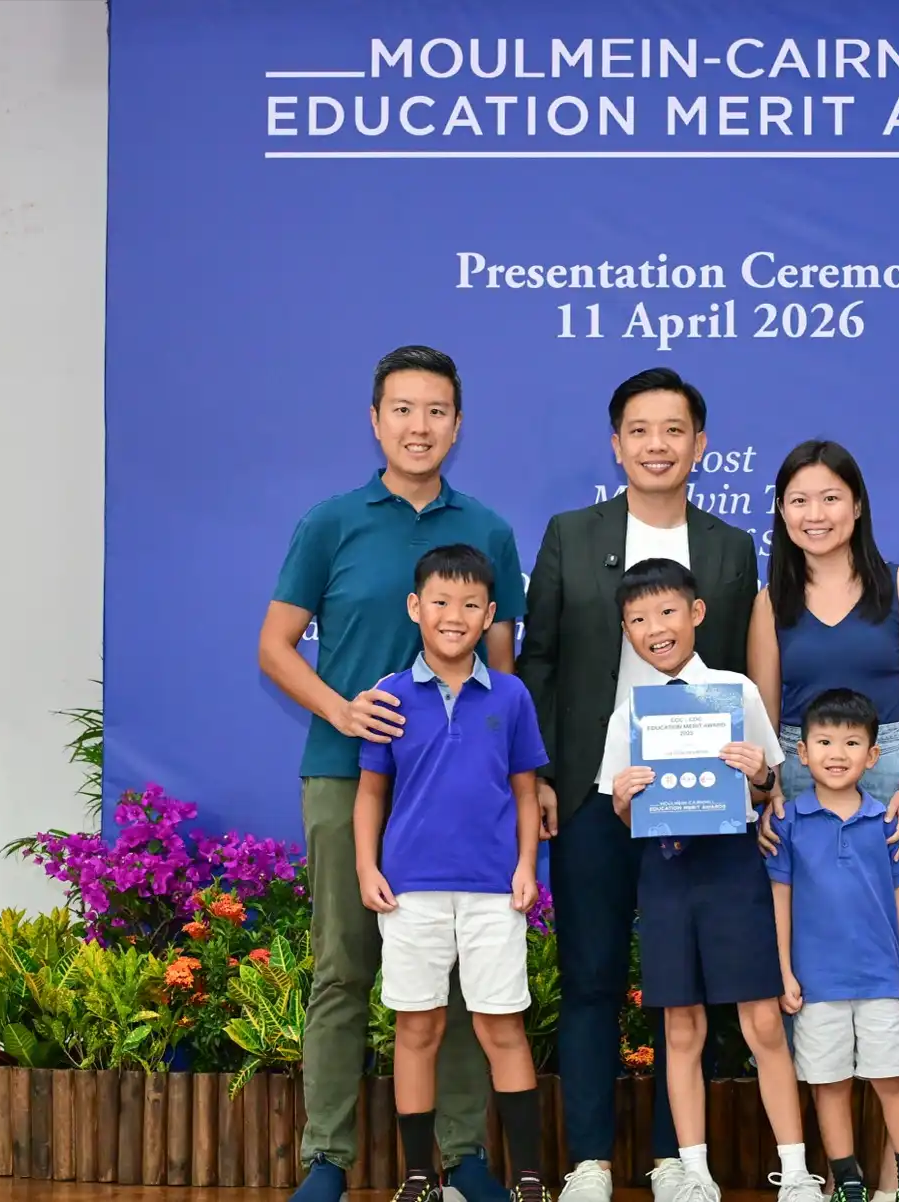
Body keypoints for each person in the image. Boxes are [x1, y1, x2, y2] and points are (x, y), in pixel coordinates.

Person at [259, 345, 524, 1202]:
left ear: (458, 424)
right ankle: (328, 1158)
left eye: (436, 410)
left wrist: (522, 778)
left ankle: (463, 1155)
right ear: (376, 420)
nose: (419, 426)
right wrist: (340, 711)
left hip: (463, 794)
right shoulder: (331, 523)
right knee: (343, 968)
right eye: (403, 409)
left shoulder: (487, 530)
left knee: (461, 979)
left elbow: (504, 673)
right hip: (348, 777)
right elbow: (275, 646)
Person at [517, 368, 758, 1202]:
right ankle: (588, 1160)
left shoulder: (730, 548)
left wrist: (752, 784)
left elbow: (738, 670)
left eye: (674, 430)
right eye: (640, 430)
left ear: (701, 444)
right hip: (594, 796)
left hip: (697, 805)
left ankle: (674, 1158)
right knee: (589, 977)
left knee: (683, 986)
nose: (658, 445)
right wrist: (543, 776)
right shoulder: (570, 534)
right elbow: (538, 661)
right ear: (616, 445)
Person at [747, 439, 899, 1202]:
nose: (815, 513)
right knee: (814, 974)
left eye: (830, 497)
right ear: (781, 511)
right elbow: (765, 716)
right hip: (799, 786)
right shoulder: (772, 601)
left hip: (893, 784)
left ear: (857, 505)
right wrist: (769, 794)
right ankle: (842, 1180)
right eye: (799, 500)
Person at [602, 559, 822, 1202]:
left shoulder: (736, 693)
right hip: (667, 874)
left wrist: (760, 774)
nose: (655, 629)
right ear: (626, 631)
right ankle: (695, 1174)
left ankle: (796, 1172)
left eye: (667, 612)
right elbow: (625, 814)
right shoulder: (629, 714)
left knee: (762, 1022)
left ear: (696, 613)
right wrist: (625, 799)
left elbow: (768, 789)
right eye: (638, 620)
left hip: (732, 869)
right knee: (680, 1028)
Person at [353, 545, 550, 1202]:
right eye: (440, 601)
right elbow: (371, 793)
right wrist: (367, 867)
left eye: (470, 605)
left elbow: (526, 791)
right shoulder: (388, 695)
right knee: (418, 1028)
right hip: (411, 891)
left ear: (490, 615)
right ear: (416, 607)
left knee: (502, 1027)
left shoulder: (511, 695)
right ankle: (418, 1176)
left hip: (495, 890)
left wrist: (526, 866)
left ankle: (528, 1177)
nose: (454, 616)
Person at [766, 689, 899, 1202]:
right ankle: (849, 1185)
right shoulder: (787, 823)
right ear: (802, 751)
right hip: (816, 985)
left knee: (894, 1079)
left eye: (852, 743)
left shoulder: (886, 822)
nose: (837, 753)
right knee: (828, 1083)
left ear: (873, 755)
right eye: (824, 741)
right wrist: (784, 972)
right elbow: (779, 901)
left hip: (881, 981)